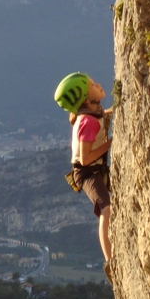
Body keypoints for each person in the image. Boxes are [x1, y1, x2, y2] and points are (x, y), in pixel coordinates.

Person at [54, 72, 113, 269]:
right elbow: (85, 159)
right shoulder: (88, 122)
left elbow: (104, 115)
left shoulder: (94, 112)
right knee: (106, 208)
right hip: (86, 172)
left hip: (95, 168)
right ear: (87, 100)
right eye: (93, 85)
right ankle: (110, 260)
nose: (98, 84)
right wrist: (112, 143)